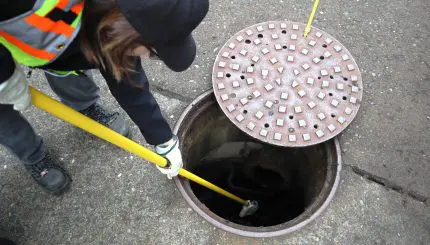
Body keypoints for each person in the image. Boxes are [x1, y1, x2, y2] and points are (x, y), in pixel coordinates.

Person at [0, 0, 209, 195]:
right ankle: (33, 155)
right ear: (124, 29)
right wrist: (4, 76)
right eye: (153, 52)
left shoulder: (118, 19)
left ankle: (86, 107)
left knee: (72, 77)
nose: (151, 59)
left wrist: (162, 138)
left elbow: (128, 79)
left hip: (62, 50)